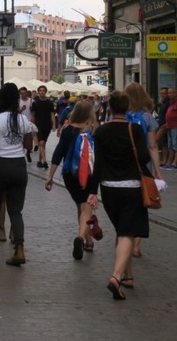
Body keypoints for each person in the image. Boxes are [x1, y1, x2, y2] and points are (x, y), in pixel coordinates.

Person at [87, 91, 152, 300]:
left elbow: (97, 165)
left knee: (123, 229)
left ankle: (128, 276)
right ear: (127, 108)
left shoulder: (101, 132)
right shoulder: (135, 129)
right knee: (127, 232)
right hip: (132, 186)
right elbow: (143, 157)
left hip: (108, 187)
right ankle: (116, 277)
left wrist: (92, 191)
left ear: (110, 108)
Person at [0, 83, 34, 266]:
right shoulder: (23, 120)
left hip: (0, 165)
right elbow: (29, 147)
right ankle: (19, 249)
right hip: (19, 166)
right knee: (16, 210)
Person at [44, 100, 98, 259]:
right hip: (89, 174)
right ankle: (81, 238)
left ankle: (88, 240)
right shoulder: (94, 130)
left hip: (70, 175)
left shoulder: (68, 131)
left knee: (80, 206)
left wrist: (50, 176)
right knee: (86, 206)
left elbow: (58, 153)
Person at [123, 82, 163, 258]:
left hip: (123, 165)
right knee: (141, 204)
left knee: (125, 204)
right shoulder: (147, 117)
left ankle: (125, 238)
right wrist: (158, 172)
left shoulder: (120, 115)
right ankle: (136, 246)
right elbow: (153, 146)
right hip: (142, 166)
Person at [31, 85, 56, 169]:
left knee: (43, 143)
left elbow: (52, 114)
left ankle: (39, 161)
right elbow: (33, 115)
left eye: (43, 90)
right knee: (41, 142)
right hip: (38, 125)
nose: (42, 92)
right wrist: (32, 125)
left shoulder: (49, 102)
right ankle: (44, 161)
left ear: (45, 92)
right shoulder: (35, 103)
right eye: (40, 90)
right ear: (38, 92)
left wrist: (54, 124)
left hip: (47, 125)